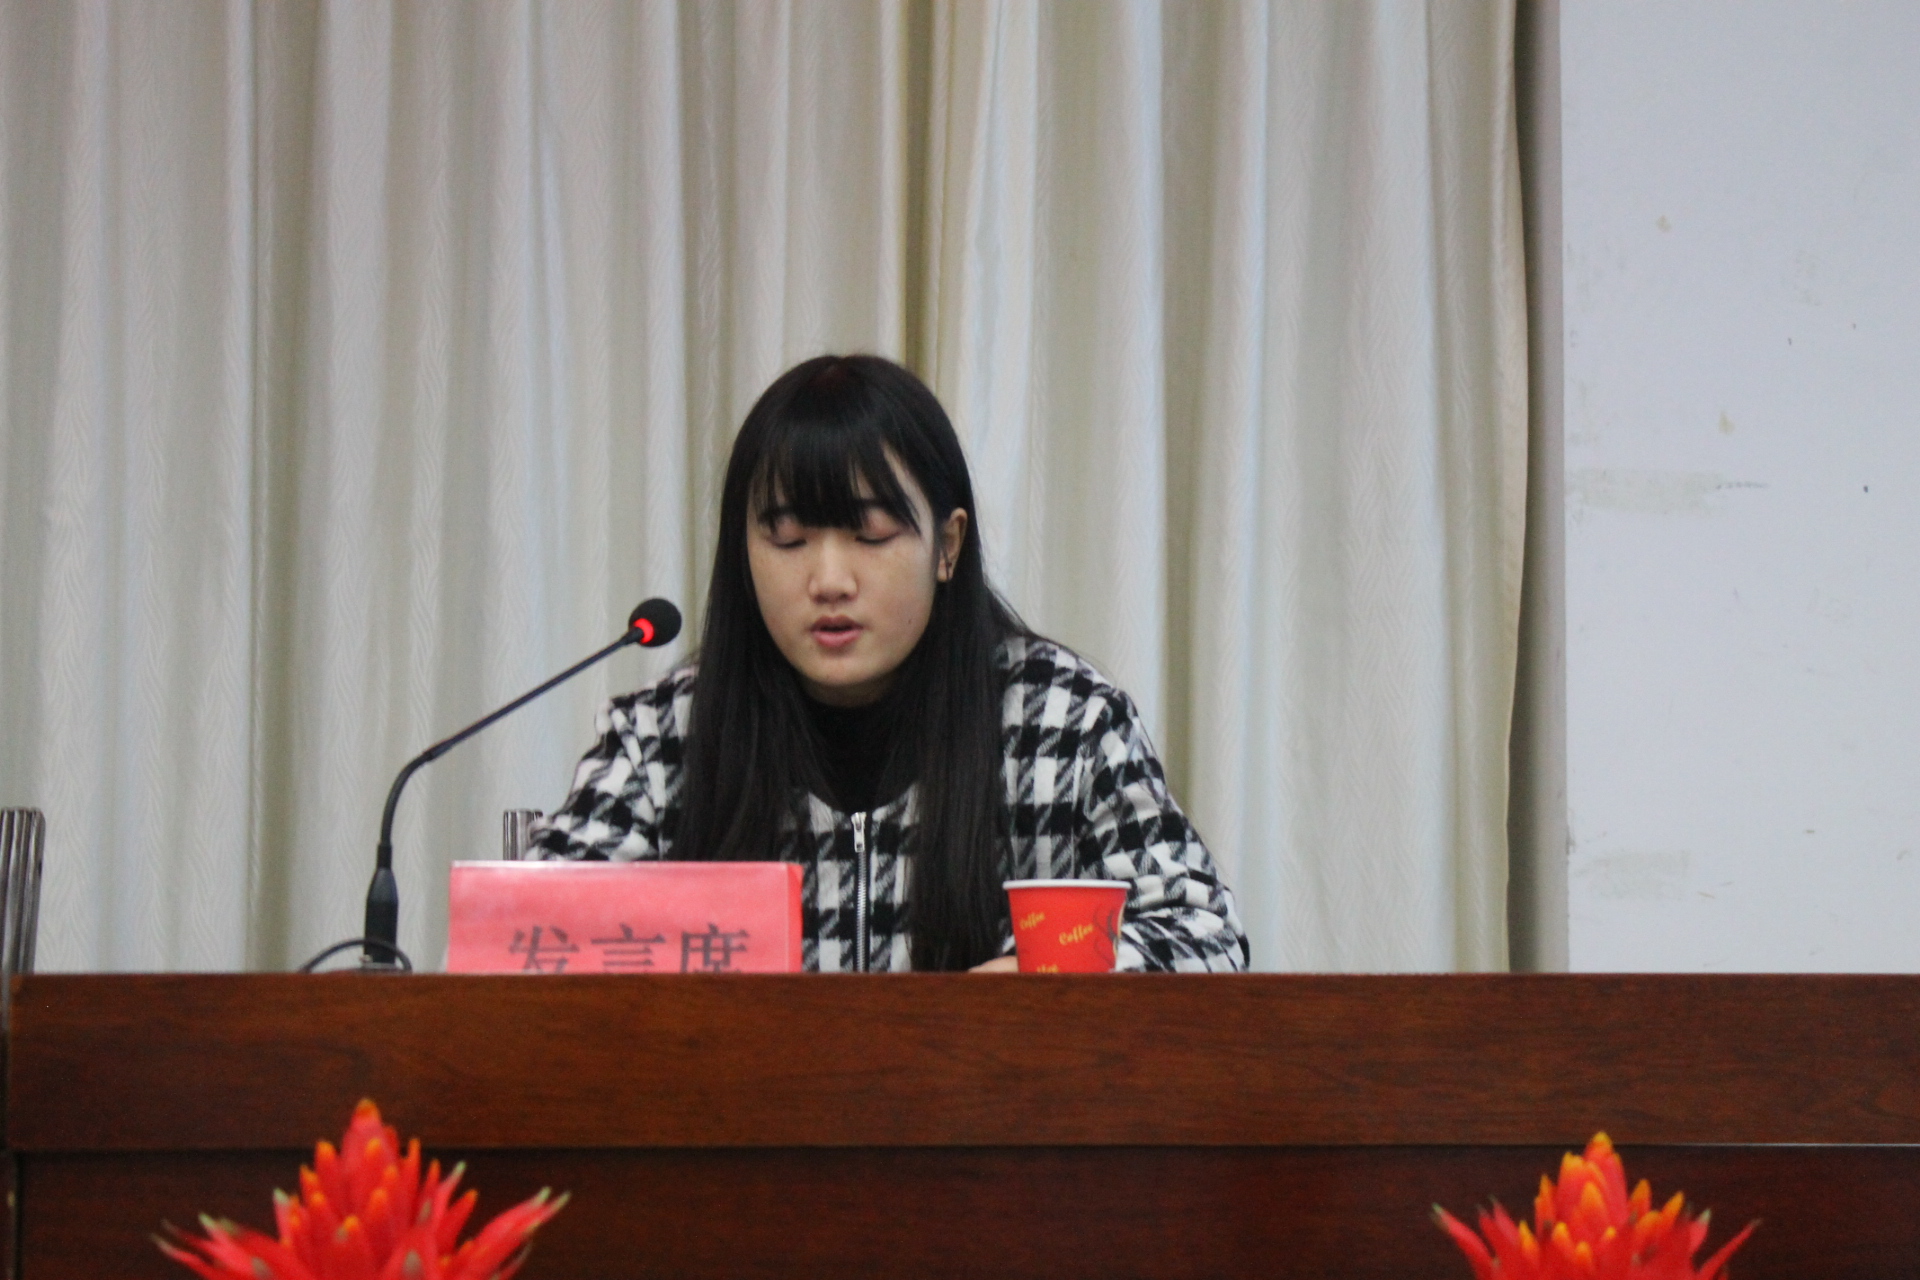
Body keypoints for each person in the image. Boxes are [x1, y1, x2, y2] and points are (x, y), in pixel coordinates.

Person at [534, 354, 1248, 973]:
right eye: (788, 539)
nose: (829, 581)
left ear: (947, 546)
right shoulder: (665, 738)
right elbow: (525, 943)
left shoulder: (1065, 724)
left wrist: (1034, 976)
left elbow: (1203, 935)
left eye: (871, 534)